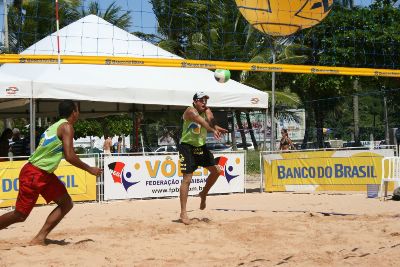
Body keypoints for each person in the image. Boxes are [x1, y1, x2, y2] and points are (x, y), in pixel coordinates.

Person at [0, 100, 102, 245]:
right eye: (78, 110)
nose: (78, 113)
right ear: (74, 112)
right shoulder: (67, 126)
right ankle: (39, 237)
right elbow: (69, 156)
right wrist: (90, 169)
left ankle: (40, 238)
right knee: (20, 215)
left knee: (66, 203)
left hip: (43, 173)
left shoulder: (54, 126)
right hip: (35, 173)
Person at [178, 92, 228, 225]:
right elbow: (203, 122)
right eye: (201, 100)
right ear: (194, 101)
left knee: (217, 171)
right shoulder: (190, 111)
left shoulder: (206, 109)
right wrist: (213, 130)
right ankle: (183, 212)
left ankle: (203, 193)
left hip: (201, 147)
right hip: (187, 147)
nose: (204, 102)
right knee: (187, 179)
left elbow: (210, 120)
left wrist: (215, 126)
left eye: (205, 100)